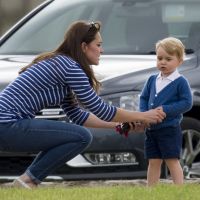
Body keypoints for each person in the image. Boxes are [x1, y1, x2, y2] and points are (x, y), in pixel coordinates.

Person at [0, 20, 165, 189]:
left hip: (6, 127)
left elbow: (78, 115)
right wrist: (143, 115)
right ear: (84, 46)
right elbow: (101, 109)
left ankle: (27, 180)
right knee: (82, 136)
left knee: (80, 135)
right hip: (7, 125)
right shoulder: (71, 68)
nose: (102, 50)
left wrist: (122, 126)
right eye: (98, 45)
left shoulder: (61, 63)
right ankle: (28, 180)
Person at [139, 37, 192, 186]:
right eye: (160, 58)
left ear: (179, 61)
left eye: (168, 59)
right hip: (151, 130)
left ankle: (178, 189)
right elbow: (143, 98)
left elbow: (186, 103)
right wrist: (144, 115)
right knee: (153, 160)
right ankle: (151, 190)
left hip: (169, 129)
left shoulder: (181, 82)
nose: (162, 62)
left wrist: (166, 110)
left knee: (171, 160)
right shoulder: (151, 80)